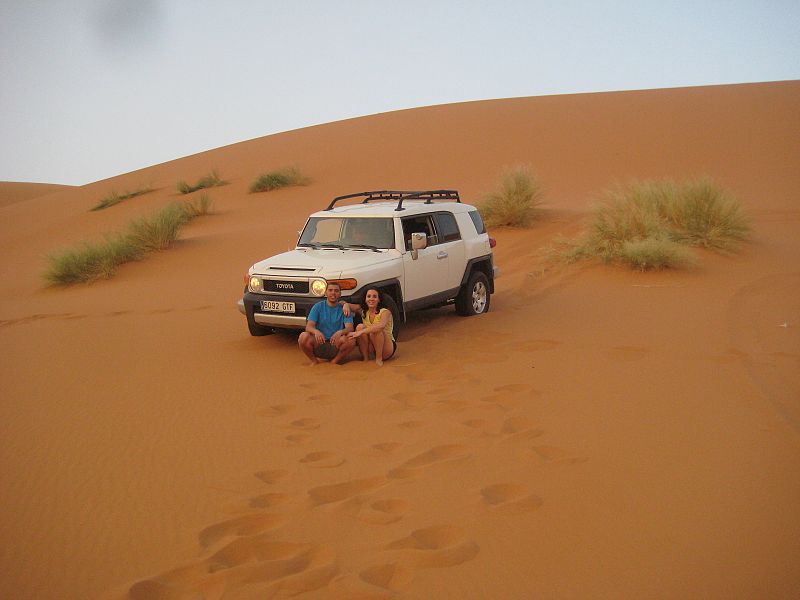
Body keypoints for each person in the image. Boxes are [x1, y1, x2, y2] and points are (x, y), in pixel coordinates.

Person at [298, 282, 356, 365]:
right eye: (330, 290)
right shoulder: (317, 307)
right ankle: (314, 361)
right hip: (319, 342)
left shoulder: (344, 309)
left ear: (340, 294)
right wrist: (316, 332)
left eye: (336, 291)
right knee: (303, 336)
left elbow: (350, 328)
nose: (333, 293)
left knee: (351, 340)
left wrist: (340, 332)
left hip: (336, 343)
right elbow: (309, 327)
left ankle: (335, 361)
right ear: (326, 293)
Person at [347, 288, 396, 366]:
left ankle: (379, 359)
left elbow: (381, 326)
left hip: (386, 347)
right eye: (369, 296)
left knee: (375, 330)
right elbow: (344, 304)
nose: (371, 299)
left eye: (374, 296)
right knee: (360, 326)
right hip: (373, 346)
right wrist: (346, 305)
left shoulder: (385, 312)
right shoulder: (364, 311)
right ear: (365, 299)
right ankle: (366, 358)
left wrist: (360, 332)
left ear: (379, 299)